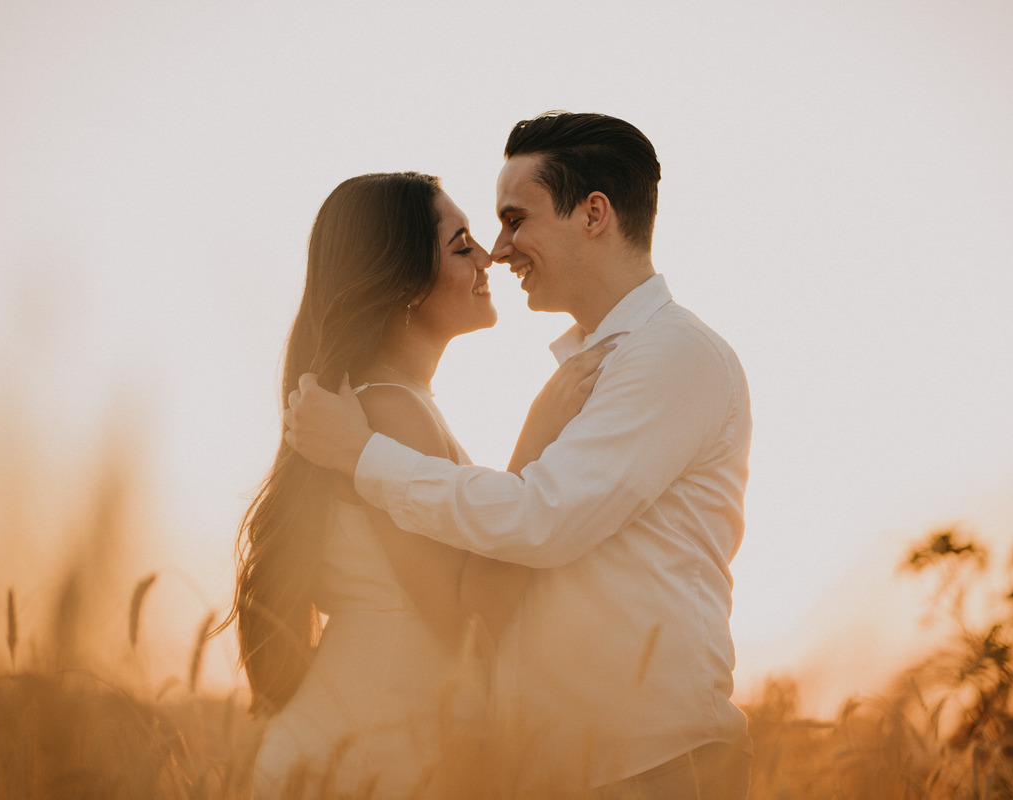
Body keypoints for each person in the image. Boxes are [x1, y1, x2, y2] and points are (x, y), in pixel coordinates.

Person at [286, 113, 754, 798]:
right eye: (479, 236)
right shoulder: (594, 368)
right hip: (570, 765)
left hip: (651, 760)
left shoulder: (671, 354)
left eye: (514, 220)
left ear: (594, 214)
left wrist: (363, 456)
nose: (499, 251)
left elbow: (543, 518)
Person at [232, 172, 606, 799]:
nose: (488, 256)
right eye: (461, 245)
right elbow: (468, 620)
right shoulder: (388, 409)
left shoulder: (395, 403)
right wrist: (538, 435)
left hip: (366, 744)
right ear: (404, 282)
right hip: (363, 754)